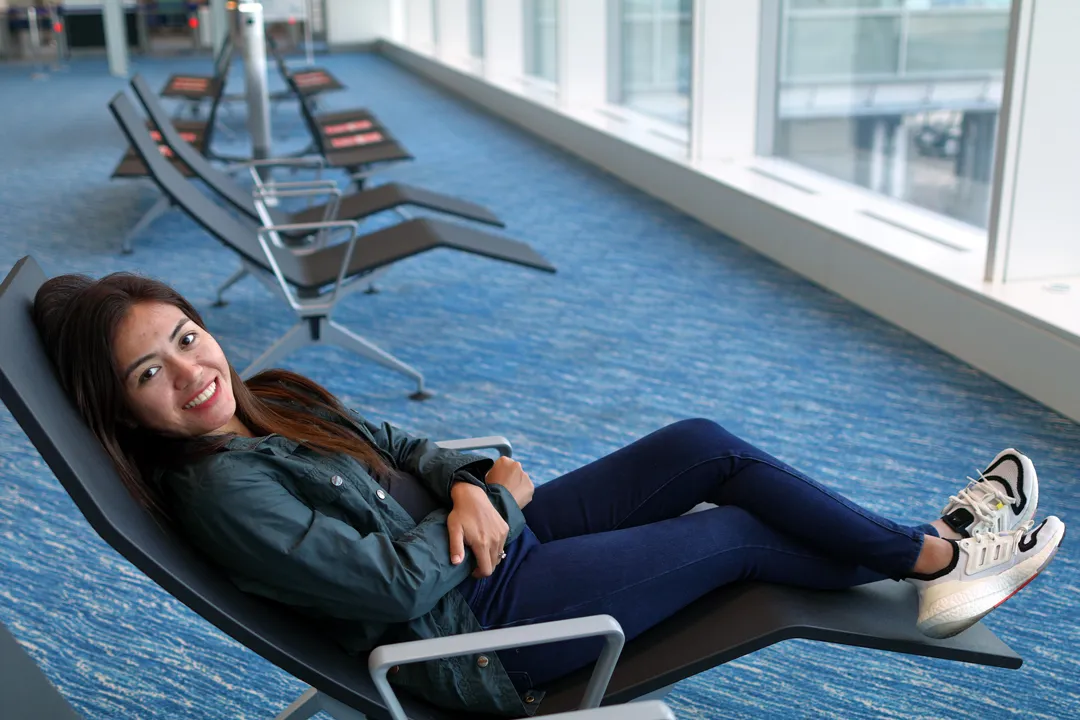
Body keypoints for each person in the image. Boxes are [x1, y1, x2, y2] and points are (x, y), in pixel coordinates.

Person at [33, 270, 1065, 717]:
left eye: (183, 336)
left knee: (702, 446)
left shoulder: (264, 399)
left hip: (485, 554)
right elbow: (392, 591)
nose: (190, 370)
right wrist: (489, 504)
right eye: (148, 374)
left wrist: (475, 487)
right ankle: (934, 558)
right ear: (123, 412)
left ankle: (922, 554)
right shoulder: (222, 493)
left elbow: (404, 442)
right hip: (477, 628)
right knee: (740, 536)